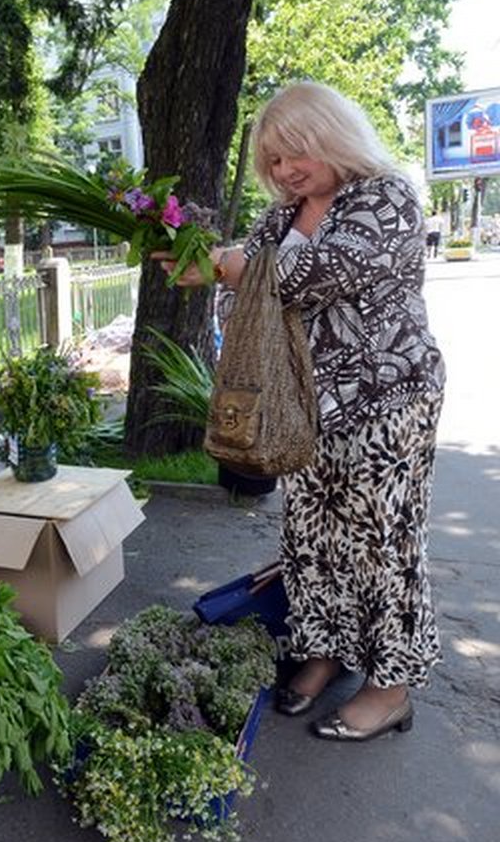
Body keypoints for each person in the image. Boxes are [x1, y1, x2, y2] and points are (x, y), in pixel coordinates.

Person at [159, 82, 446, 742]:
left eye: (296, 153)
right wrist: (225, 272)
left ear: (332, 134)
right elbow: (241, 307)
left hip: (388, 401)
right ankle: (323, 652)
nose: (285, 171)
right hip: (306, 410)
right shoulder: (280, 218)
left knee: (380, 546)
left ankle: (389, 687)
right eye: (274, 161)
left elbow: (318, 273)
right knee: (310, 542)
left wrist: (231, 269)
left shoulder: (385, 195)